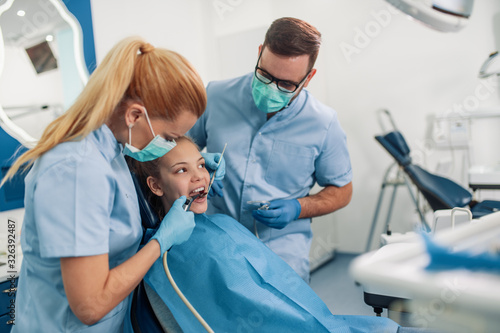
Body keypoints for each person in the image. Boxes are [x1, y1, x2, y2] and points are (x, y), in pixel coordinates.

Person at [0, 37, 221, 332]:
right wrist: (161, 241)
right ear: (133, 115)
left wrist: (193, 164)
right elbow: (89, 306)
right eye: (169, 138)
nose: (168, 145)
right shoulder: (76, 170)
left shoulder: (113, 150)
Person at [129, 137, 399, 333]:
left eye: (201, 165)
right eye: (182, 170)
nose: (200, 176)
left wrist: (298, 207)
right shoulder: (163, 257)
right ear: (155, 185)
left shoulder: (222, 224)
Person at [188, 17, 353, 282]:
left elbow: (342, 191)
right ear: (259, 53)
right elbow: (178, 146)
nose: (270, 89)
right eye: (264, 75)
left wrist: (298, 207)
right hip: (215, 239)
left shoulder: (323, 123)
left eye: (287, 84)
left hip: (281, 252)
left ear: (308, 78)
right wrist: (197, 164)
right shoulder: (216, 95)